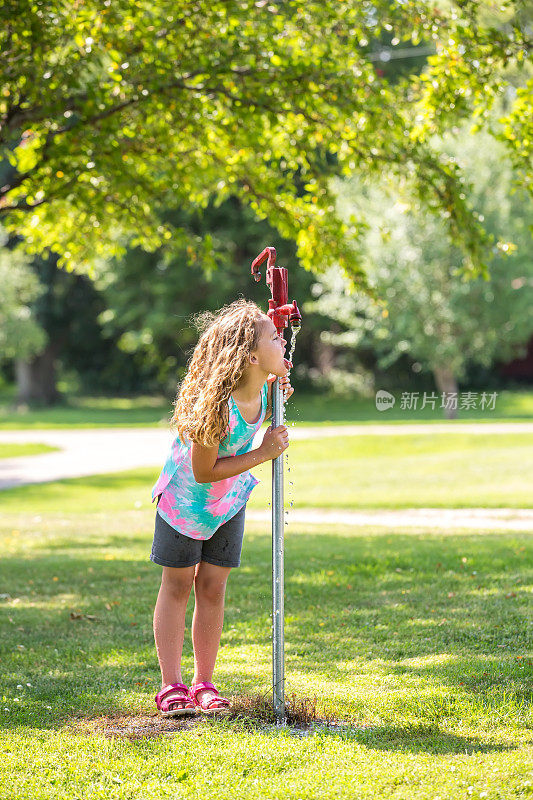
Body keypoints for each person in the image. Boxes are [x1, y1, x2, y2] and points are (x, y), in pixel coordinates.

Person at [150, 298, 294, 716]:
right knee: (178, 587)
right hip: (185, 501)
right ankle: (171, 685)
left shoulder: (268, 393)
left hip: (227, 503)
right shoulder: (212, 403)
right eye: (273, 337)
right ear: (250, 356)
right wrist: (263, 452)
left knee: (212, 588)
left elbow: (276, 381)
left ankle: (203, 683)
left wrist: (279, 383)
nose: (282, 340)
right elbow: (203, 470)